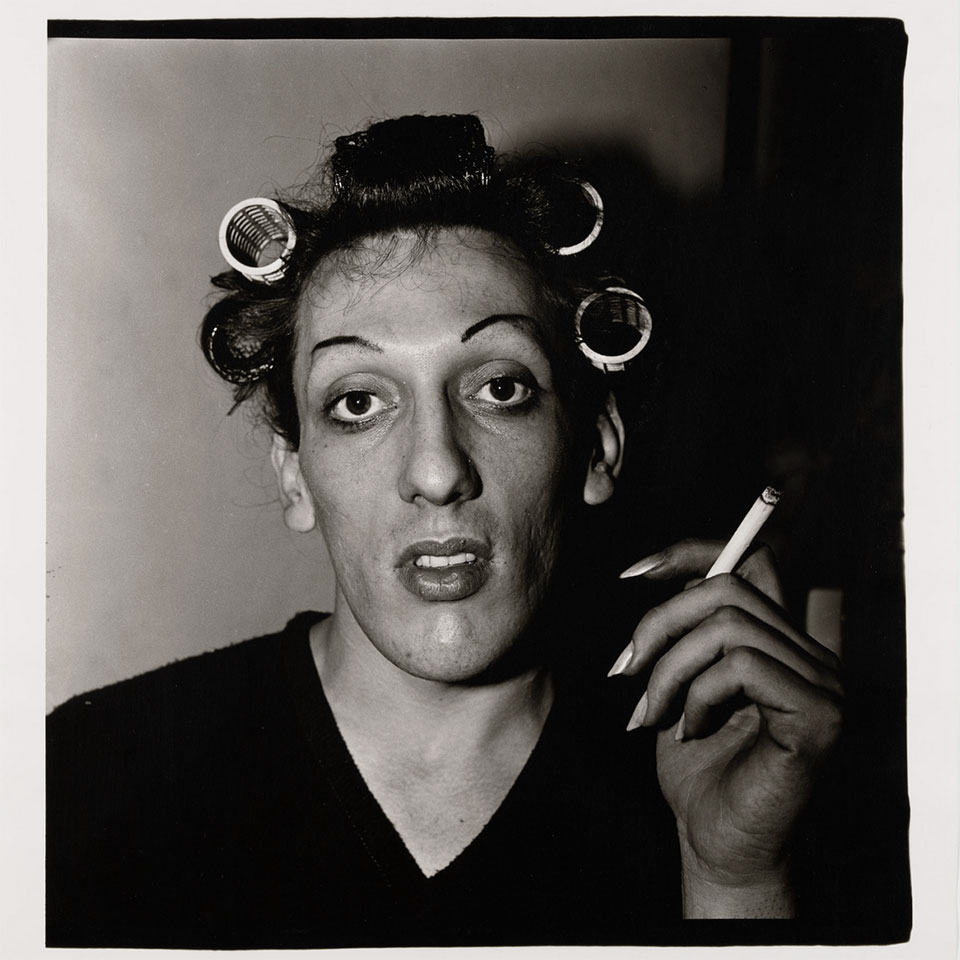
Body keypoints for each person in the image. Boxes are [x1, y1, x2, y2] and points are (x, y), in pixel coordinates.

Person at [46, 114, 843, 948]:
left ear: (597, 445)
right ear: (294, 472)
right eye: (358, 402)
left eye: (500, 388)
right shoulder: (89, 778)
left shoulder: (733, 784)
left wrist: (735, 879)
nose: (436, 470)